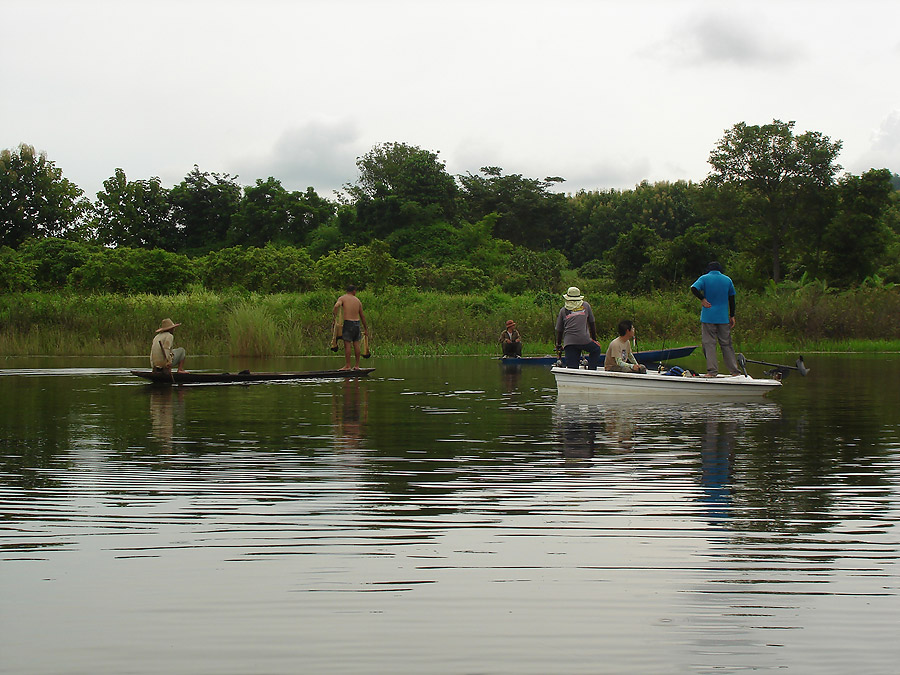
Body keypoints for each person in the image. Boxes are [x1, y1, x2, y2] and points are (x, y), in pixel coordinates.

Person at [691, 261, 740, 377]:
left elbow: (694, 288)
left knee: (709, 344)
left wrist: (702, 299)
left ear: (709, 269)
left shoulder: (704, 278)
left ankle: (712, 372)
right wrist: (732, 315)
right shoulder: (727, 280)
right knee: (726, 344)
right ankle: (735, 371)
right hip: (723, 317)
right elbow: (732, 299)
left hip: (708, 316)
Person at [555, 286, 602, 369]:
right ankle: (592, 369)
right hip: (584, 340)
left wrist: (558, 345)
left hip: (569, 343)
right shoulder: (586, 306)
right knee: (596, 349)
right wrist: (594, 339)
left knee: (572, 368)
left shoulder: (563, 310)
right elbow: (592, 323)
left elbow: (559, 330)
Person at [333, 284, 369, 370]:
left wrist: (334, 318)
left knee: (347, 344)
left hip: (348, 323)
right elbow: (362, 316)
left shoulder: (342, 298)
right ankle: (357, 365)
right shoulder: (357, 301)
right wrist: (365, 328)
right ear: (353, 291)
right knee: (356, 344)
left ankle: (348, 365)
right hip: (357, 323)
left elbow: (336, 306)